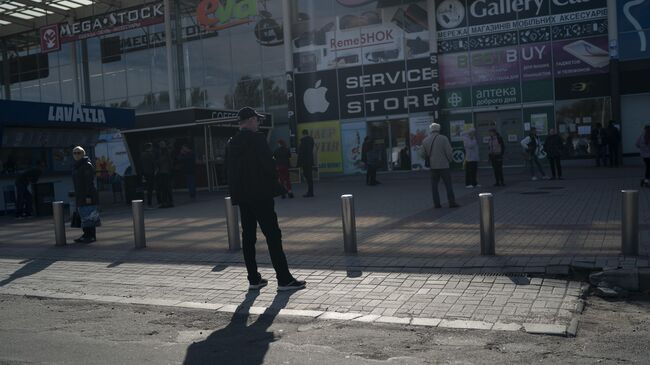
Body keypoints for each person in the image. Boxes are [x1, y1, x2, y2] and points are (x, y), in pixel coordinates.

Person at [226, 107, 306, 291]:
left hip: (243, 197)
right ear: (251, 120)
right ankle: (284, 279)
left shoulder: (232, 142)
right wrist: (273, 183)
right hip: (260, 195)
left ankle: (254, 279)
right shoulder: (257, 139)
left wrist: (237, 194)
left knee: (248, 237)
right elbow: (269, 166)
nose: (258, 123)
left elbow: (229, 172)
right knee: (273, 235)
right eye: (257, 120)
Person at [421, 122, 459, 209]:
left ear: (431, 130)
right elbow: (449, 152)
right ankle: (451, 202)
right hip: (444, 165)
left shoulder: (425, 140)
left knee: (434, 186)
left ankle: (437, 204)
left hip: (433, 166)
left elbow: (422, 154)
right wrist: (449, 160)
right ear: (439, 129)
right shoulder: (443, 138)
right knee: (448, 185)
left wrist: (429, 158)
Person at [72, 146, 98, 244]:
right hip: (80, 194)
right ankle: (86, 234)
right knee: (83, 214)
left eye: (79, 153)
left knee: (89, 214)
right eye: (74, 153)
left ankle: (91, 235)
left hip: (87, 194)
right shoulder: (76, 165)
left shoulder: (87, 165)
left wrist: (88, 196)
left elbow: (89, 182)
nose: (76, 155)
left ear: (83, 154)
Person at [297, 129, 315, 197]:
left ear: (303, 134)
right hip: (310, 160)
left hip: (305, 161)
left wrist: (298, 163)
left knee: (306, 175)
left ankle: (310, 192)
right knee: (309, 176)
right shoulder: (311, 140)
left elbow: (301, 153)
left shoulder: (303, 141)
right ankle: (311, 191)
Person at [156, 140, 174, 208]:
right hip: (166, 172)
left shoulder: (164, 152)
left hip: (164, 172)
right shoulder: (167, 152)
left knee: (164, 188)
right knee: (167, 188)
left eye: (161, 144)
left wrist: (157, 161)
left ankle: (165, 202)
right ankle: (169, 202)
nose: (160, 145)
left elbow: (160, 161)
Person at [140, 143, 157, 208]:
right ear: (149, 148)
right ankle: (150, 202)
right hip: (151, 173)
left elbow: (140, 164)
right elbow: (153, 163)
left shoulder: (142, 155)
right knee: (150, 188)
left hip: (145, 173)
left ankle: (148, 202)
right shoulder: (150, 154)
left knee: (147, 188)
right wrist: (155, 170)